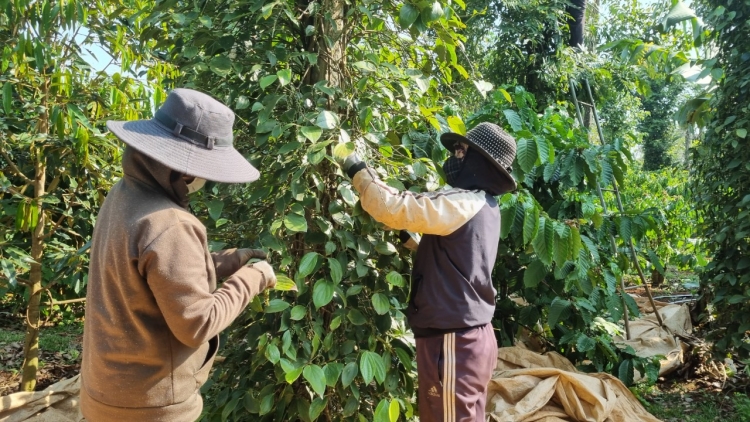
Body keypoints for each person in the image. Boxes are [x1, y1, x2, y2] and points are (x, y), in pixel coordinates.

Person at [81, 88, 277, 421]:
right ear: (183, 170)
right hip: (151, 407)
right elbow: (198, 323)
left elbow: (147, 276)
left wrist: (219, 263)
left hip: (104, 392)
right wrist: (253, 278)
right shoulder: (171, 224)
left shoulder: (123, 196)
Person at [339, 122, 517, 421]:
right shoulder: (485, 206)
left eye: (462, 151)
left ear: (480, 163)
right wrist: (411, 240)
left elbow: (390, 205)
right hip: (469, 337)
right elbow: (456, 254)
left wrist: (354, 164)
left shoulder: (462, 202)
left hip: (453, 341)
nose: (454, 156)